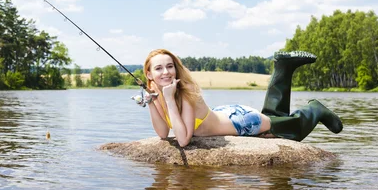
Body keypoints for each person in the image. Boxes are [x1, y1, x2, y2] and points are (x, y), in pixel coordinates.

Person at [143, 49, 343, 147]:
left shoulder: (184, 92)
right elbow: (162, 133)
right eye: (158, 68)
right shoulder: (158, 92)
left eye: (170, 66)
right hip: (223, 114)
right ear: (149, 74)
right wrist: (152, 103)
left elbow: (183, 140)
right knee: (274, 117)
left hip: (239, 121)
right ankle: (284, 67)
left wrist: (169, 100)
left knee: (288, 131)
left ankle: (314, 110)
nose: (166, 72)